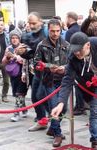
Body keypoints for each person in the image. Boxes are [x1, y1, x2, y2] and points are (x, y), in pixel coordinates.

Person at [51, 32, 97, 150]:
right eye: (74, 50)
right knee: (95, 114)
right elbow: (67, 80)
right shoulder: (73, 57)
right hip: (93, 88)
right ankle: (95, 142)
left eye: (80, 49)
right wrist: (61, 103)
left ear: (88, 45)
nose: (77, 53)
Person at [34, 19, 69, 147]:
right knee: (55, 107)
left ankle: (53, 128)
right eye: (52, 31)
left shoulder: (66, 44)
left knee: (64, 108)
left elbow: (72, 62)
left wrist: (64, 68)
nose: (55, 33)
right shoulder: (42, 45)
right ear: (48, 30)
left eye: (57, 31)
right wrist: (49, 66)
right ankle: (57, 133)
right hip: (49, 81)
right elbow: (36, 63)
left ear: (61, 30)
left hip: (64, 81)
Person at [2, 29, 27, 122]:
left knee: (19, 93)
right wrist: (8, 57)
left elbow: (24, 61)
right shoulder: (8, 48)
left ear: (19, 38)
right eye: (12, 38)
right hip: (13, 74)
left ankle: (16, 113)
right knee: (18, 93)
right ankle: (24, 109)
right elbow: (3, 62)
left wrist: (15, 57)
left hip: (22, 74)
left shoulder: (23, 47)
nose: (14, 39)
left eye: (16, 38)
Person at [0, 19, 10, 104]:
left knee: (6, 81)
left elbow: (10, 47)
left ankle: (4, 95)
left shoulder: (7, 36)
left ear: (4, 26)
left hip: (5, 61)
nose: (0, 27)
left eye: (1, 25)